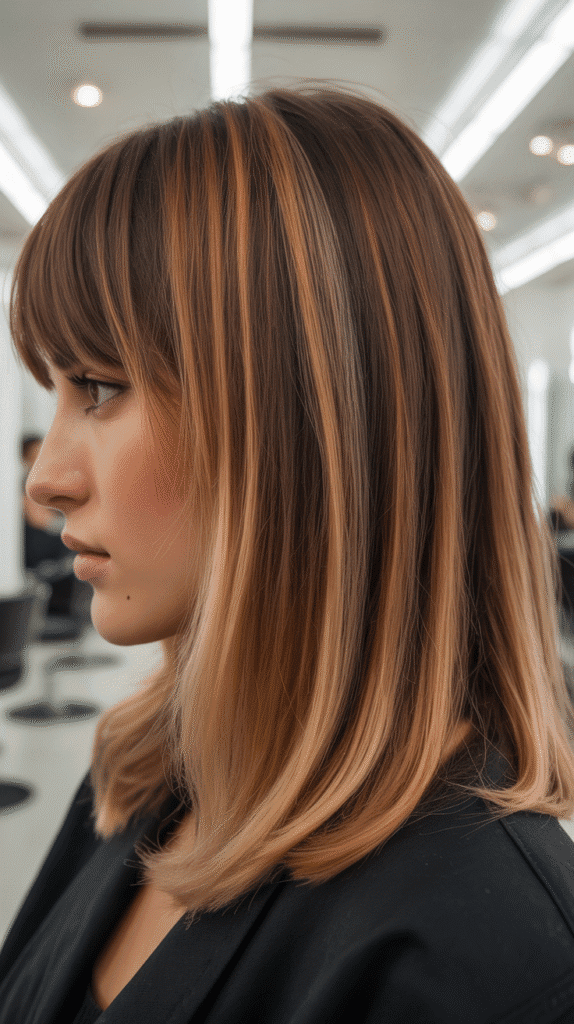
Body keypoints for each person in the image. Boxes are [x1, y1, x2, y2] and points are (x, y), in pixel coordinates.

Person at [1, 80, 574, 1024]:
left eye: (99, 386)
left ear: (301, 425)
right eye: (55, 390)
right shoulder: (145, 776)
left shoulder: (489, 965)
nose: (46, 479)